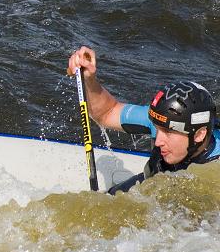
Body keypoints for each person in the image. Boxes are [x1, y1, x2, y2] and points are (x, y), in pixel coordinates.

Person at [67, 46, 220, 195]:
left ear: (199, 135)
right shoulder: (164, 120)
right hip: (150, 190)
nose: (158, 141)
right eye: (157, 127)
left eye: (168, 132)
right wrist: (89, 80)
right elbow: (107, 112)